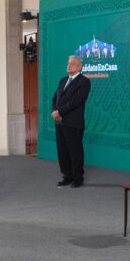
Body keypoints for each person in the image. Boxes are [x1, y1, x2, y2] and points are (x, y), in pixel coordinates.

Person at [51, 55, 91, 187]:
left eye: (72, 64)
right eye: (68, 63)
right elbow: (55, 98)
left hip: (73, 123)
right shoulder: (63, 80)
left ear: (79, 67)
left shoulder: (84, 81)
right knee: (62, 151)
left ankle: (78, 178)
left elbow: (76, 102)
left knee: (75, 151)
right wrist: (55, 111)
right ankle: (67, 176)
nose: (69, 66)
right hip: (59, 122)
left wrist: (60, 112)